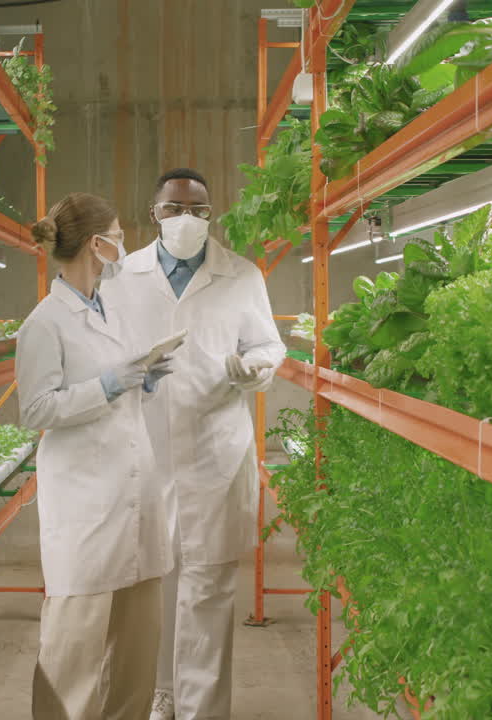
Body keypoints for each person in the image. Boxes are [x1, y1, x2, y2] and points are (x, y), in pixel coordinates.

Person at [102, 169, 286, 720]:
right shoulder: (120, 275)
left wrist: (256, 368)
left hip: (215, 450)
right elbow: (96, 348)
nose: (187, 219)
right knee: (149, 581)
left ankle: (202, 710)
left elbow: (267, 342)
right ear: (152, 214)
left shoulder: (240, 274)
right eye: (174, 208)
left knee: (207, 587)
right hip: (144, 448)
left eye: (199, 210)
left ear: (212, 215)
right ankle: (160, 691)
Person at [16, 192, 176, 720]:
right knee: (73, 652)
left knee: (136, 648)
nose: (123, 246)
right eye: (117, 236)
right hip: (85, 503)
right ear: (95, 244)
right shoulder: (45, 322)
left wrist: (141, 378)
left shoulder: (111, 306)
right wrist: (107, 386)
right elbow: (36, 409)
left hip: (133, 493)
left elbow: (118, 378)